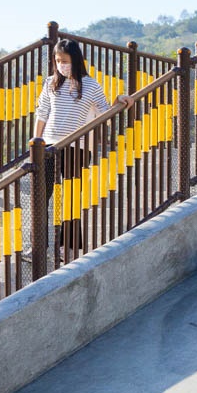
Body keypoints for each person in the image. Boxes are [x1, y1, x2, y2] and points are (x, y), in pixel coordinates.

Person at [33, 39, 132, 249]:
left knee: (70, 196)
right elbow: (41, 113)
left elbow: (103, 112)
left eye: (65, 61)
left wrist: (119, 99)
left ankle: (68, 246)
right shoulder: (50, 82)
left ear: (76, 60)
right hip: (49, 146)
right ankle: (38, 244)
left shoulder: (90, 85)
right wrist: (36, 142)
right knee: (42, 195)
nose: (61, 64)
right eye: (58, 60)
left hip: (76, 148)